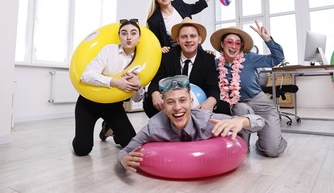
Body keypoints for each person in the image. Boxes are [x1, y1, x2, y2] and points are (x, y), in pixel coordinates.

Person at [119, 75, 265, 172]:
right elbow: (125, 151)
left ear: (191, 102)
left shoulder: (207, 120)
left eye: (182, 100)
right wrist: (122, 160)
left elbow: (260, 122)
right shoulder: (154, 127)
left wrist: (242, 120)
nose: (177, 108)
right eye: (170, 102)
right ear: (163, 105)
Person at [209, 21, 287, 157]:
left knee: (272, 151)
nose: (233, 46)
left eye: (237, 43)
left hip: (261, 104)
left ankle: (270, 141)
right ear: (222, 44)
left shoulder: (250, 59)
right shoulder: (215, 64)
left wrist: (267, 39)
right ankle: (243, 146)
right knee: (241, 109)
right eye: (229, 42)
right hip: (239, 106)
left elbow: (277, 58)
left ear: (242, 46)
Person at [72, 19, 144, 156]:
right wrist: (116, 82)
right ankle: (107, 127)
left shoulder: (143, 61)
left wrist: (139, 87)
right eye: (124, 33)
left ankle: (109, 127)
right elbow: (86, 76)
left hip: (113, 107)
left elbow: (136, 99)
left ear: (139, 38)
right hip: (88, 103)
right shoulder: (109, 50)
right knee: (82, 149)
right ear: (119, 36)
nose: (128, 37)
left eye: (133, 33)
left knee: (131, 145)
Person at [143, 17, 228, 118]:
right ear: (177, 40)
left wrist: (210, 101)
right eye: (184, 37)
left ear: (199, 39)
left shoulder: (207, 59)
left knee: (224, 107)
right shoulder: (167, 56)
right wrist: (155, 94)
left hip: (197, 103)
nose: (188, 40)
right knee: (149, 102)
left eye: (193, 36)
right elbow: (157, 80)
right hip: (173, 103)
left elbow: (213, 87)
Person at [146, 0, 215, 53]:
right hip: (175, 57)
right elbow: (154, 44)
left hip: (194, 50)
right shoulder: (153, 20)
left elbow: (197, 6)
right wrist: (160, 49)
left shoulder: (179, 4)